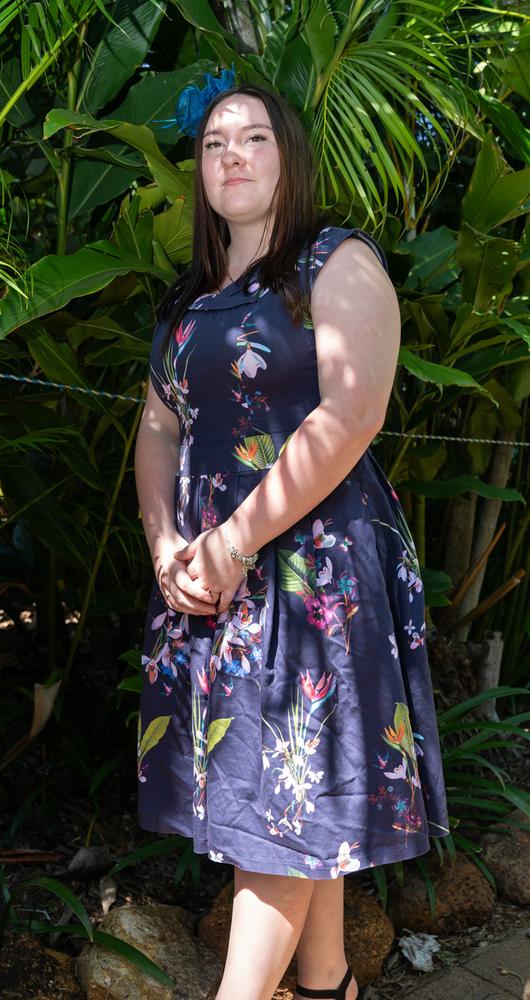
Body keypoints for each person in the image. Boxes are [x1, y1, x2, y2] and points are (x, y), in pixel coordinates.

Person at [134, 76, 450, 1000]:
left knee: (280, 807)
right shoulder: (190, 298)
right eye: (214, 142)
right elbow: (158, 428)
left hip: (315, 580)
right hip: (211, 577)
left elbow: (352, 414)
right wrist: (168, 547)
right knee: (283, 798)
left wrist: (233, 542)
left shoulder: (332, 262)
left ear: (291, 157)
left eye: (255, 138)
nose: (232, 154)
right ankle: (327, 984)